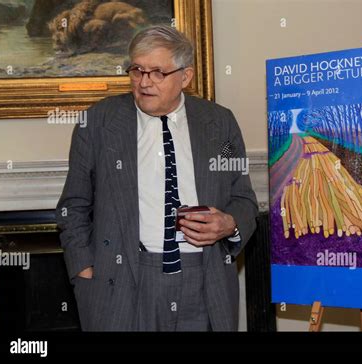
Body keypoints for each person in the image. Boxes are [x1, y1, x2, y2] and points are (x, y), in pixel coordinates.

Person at [56, 25, 258, 331]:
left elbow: (242, 198)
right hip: (124, 280)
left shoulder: (220, 124)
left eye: (157, 73)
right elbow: (73, 207)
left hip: (203, 278)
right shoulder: (97, 123)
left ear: (185, 77)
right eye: (137, 70)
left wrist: (229, 224)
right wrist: (84, 271)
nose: (144, 82)